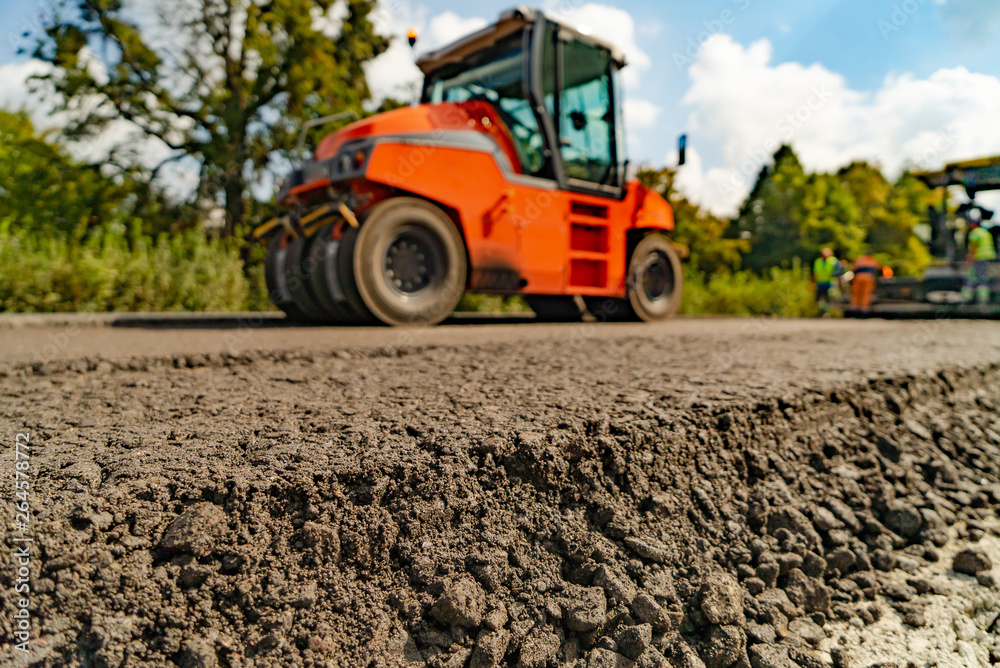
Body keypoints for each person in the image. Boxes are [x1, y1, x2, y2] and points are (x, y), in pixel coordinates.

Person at [966, 220, 996, 304]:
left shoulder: (975, 233)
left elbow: (973, 248)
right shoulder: (985, 232)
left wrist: (969, 261)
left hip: (979, 257)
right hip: (988, 257)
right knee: (983, 276)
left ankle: (972, 298)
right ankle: (984, 298)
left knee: (975, 276)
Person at [812, 248, 841, 314]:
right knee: (819, 298)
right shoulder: (818, 261)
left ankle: (829, 312)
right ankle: (821, 311)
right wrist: (812, 282)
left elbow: (839, 270)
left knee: (829, 297)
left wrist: (834, 275)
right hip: (820, 282)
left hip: (830, 282)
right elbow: (814, 272)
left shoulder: (833, 261)